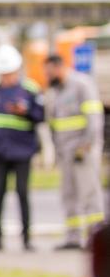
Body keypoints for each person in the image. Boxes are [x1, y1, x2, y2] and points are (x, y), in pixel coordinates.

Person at [0, 44, 44, 252]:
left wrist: (26, 112)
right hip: (0, 152)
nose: (6, 77)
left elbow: (41, 117)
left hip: (23, 152)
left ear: (17, 70)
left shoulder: (30, 90)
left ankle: (26, 239)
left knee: (22, 193)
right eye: (3, 73)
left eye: (9, 73)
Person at [45, 54, 105, 251]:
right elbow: (54, 123)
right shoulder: (55, 91)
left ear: (60, 67)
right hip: (65, 152)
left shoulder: (81, 85)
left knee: (90, 194)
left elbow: (94, 118)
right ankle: (73, 238)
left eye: (50, 70)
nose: (47, 74)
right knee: (68, 195)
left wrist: (86, 145)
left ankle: (96, 239)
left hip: (83, 152)